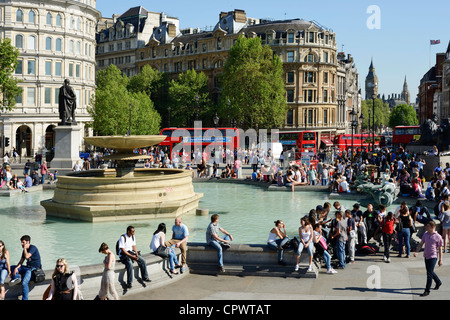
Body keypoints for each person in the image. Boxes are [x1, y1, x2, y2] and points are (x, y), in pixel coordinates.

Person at [414, 221, 443, 297]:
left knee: (429, 274)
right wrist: (417, 251)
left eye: (428, 226)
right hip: (426, 255)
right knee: (430, 271)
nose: (426, 227)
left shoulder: (438, 236)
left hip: (433, 256)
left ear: (432, 227)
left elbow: (440, 249)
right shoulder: (425, 234)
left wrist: (440, 260)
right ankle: (438, 281)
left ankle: (427, 291)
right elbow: (421, 243)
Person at [9, 235, 42, 300]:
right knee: (12, 267)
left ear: (28, 242)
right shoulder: (25, 250)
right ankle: (17, 278)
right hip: (27, 267)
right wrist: (16, 268)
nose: (21, 244)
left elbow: (27, 256)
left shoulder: (33, 248)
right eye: (21, 242)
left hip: (33, 269)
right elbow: (21, 261)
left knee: (24, 283)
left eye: (23, 242)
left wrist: (24, 248)